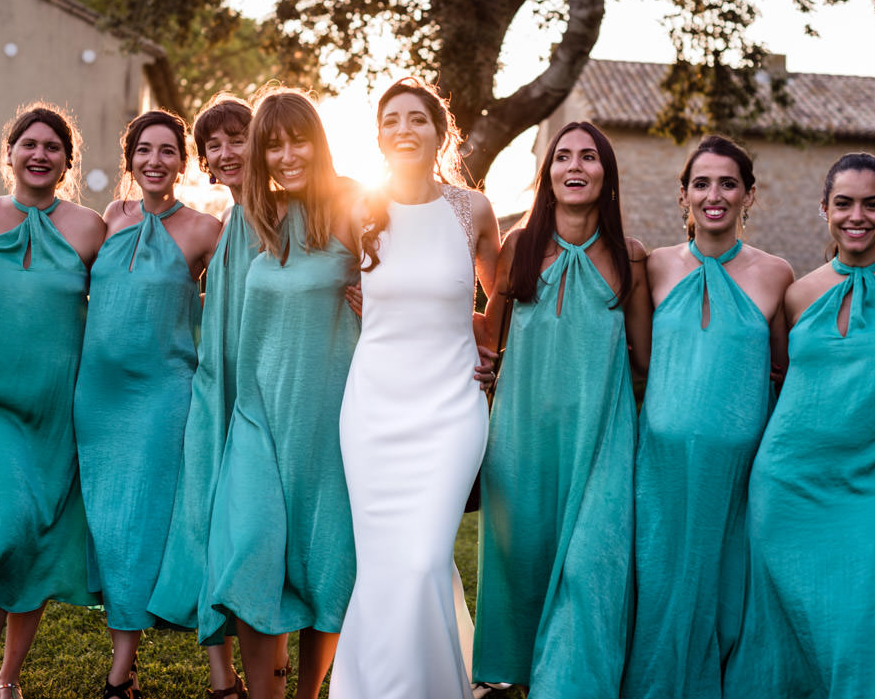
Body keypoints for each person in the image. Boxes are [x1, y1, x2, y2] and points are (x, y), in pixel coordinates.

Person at [723, 153, 875, 697]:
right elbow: (777, 380)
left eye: (871, 204)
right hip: (788, 485)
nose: (856, 215)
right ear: (825, 209)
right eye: (843, 203)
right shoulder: (797, 294)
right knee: (788, 640)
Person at [329, 77, 500, 699]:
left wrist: (492, 347)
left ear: (439, 132)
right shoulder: (355, 210)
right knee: (385, 563)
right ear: (378, 137)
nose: (404, 129)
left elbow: (500, 295)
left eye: (417, 119)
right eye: (392, 120)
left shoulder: (473, 211)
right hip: (373, 406)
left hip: (452, 406)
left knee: (426, 555)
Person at [472, 121, 650, 697]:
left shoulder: (632, 258)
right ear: (547, 175)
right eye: (563, 156)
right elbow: (487, 334)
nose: (575, 166)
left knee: (590, 568)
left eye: (589, 157)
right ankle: (519, 680)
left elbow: (643, 363)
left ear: (607, 174)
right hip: (521, 438)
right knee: (520, 567)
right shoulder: (519, 246)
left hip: (600, 440)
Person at [202, 87, 362, 699]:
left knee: (327, 562)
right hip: (258, 416)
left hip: (329, 416)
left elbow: (406, 286)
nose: (287, 155)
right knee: (250, 554)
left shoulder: (350, 208)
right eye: (273, 144)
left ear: (318, 144)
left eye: (298, 141)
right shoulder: (250, 219)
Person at [621, 135, 793, 699]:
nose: (713, 194)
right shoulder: (655, 265)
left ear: (748, 194)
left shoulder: (777, 275)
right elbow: (638, 358)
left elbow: (784, 371)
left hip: (739, 471)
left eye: (727, 183)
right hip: (661, 462)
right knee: (661, 579)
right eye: (701, 183)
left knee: (727, 588)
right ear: (684, 195)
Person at [0, 104, 106, 699]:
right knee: (4, 527)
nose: (40, 154)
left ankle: (11, 680)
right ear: (10, 153)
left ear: (67, 162)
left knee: (37, 540)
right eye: (30, 144)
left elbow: (135, 290)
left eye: (53, 147)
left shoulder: (90, 227)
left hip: (58, 414)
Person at [73, 109, 221, 699]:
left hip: (164, 395)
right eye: (144, 150)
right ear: (129, 157)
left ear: (182, 163)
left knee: (157, 522)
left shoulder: (207, 229)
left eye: (167, 151)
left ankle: (199, 672)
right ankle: (123, 664)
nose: (154, 161)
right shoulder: (110, 217)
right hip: (99, 400)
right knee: (112, 528)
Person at [146, 94, 258, 699]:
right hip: (214, 387)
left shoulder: (275, 215)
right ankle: (222, 674)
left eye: (236, 138)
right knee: (203, 517)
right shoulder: (228, 222)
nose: (224, 151)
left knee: (248, 525)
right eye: (213, 144)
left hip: (262, 394)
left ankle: (264, 664)